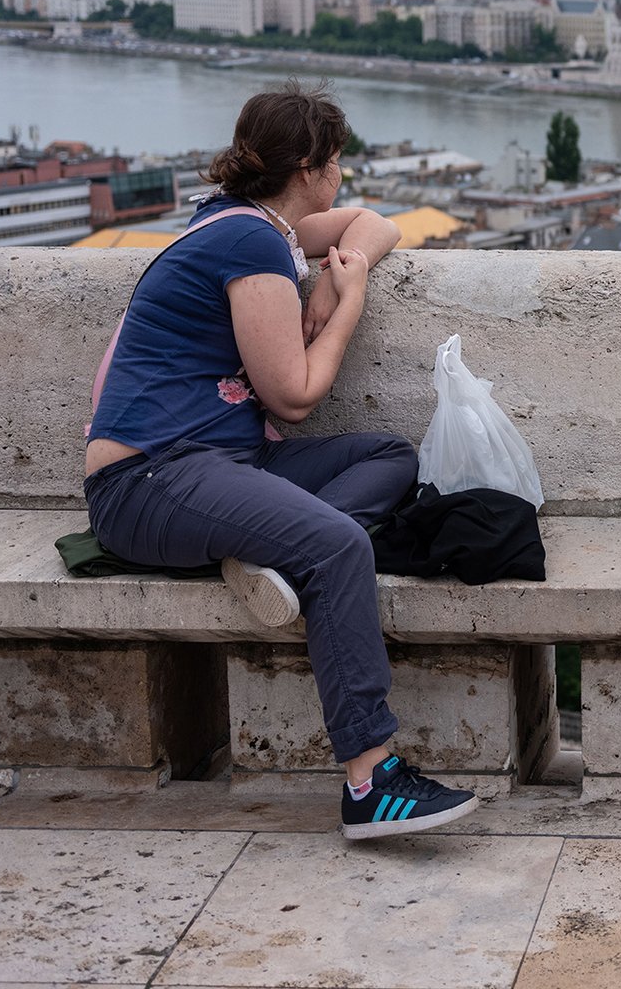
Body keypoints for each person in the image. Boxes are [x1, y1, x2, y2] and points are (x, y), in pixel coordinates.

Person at [84, 82, 477, 839]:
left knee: (393, 455)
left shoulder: (251, 224)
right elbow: (293, 396)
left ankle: (273, 556)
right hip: (149, 478)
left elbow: (375, 225)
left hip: (219, 468)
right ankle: (371, 781)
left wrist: (333, 276)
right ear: (310, 167)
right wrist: (349, 305)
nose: (343, 179)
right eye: (336, 163)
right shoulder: (250, 242)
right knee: (338, 545)